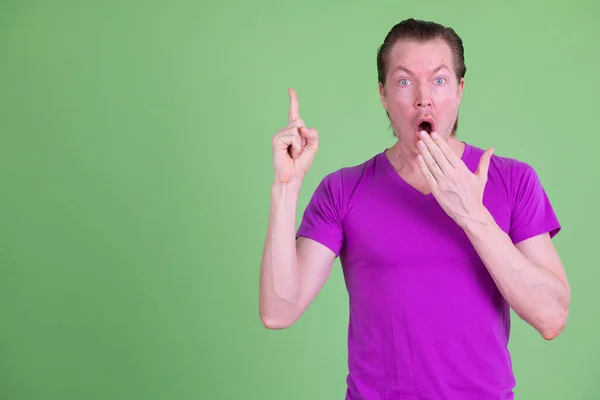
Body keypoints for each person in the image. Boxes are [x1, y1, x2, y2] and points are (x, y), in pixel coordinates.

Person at [258, 18, 570, 399]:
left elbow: (552, 316)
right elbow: (278, 311)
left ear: (460, 90)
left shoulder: (514, 181)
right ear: (383, 95)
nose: (423, 97)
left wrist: (473, 214)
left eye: (439, 80)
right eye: (404, 81)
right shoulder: (342, 191)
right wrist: (285, 187)